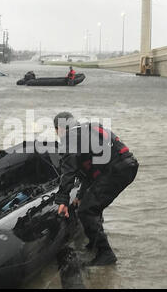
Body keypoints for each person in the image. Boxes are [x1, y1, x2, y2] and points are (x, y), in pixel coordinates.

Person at [53, 112, 138, 266]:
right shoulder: (88, 128)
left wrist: (62, 201)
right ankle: (95, 244)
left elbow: (69, 172)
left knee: (87, 210)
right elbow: (91, 172)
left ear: (58, 129)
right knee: (91, 204)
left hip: (115, 170)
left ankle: (106, 254)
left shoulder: (69, 139)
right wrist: (80, 195)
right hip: (127, 165)